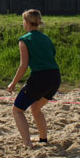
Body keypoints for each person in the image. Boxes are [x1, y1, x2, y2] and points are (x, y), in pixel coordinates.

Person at [7, 9, 61, 148]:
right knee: (36, 108)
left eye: (23, 21)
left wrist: (13, 83)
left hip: (40, 78)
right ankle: (43, 139)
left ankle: (27, 143)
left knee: (17, 110)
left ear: (26, 22)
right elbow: (51, 56)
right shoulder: (46, 38)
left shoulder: (25, 39)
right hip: (55, 77)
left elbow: (23, 66)